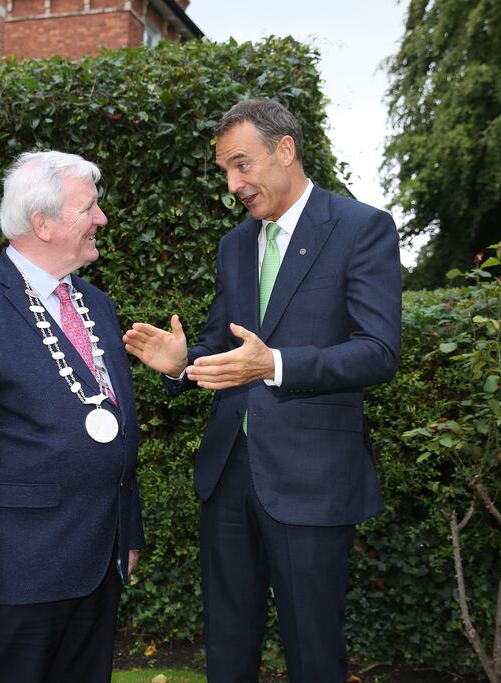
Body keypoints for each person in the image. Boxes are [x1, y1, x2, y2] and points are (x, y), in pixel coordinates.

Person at [123, 99, 401, 682]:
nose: (233, 184)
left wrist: (274, 364)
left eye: (241, 165)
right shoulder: (234, 245)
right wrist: (182, 364)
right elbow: (224, 349)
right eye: (226, 170)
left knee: (314, 651)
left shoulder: (361, 228)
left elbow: (378, 351)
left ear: (285, 149)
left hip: (314, 478)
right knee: (227, 644)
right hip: (228, 476)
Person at [0, 150, 144, 682]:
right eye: (89, 207)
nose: (102, 219)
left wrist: (127, 532)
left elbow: (114, 427)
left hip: (96, 566)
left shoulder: (97, 305)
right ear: (42, 224)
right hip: (14, 579)